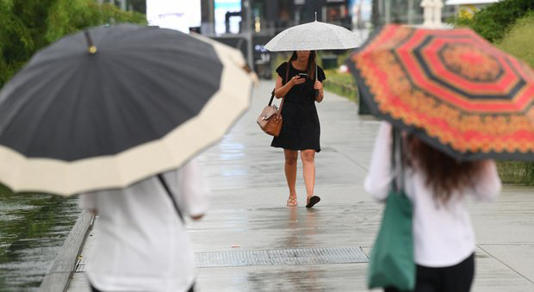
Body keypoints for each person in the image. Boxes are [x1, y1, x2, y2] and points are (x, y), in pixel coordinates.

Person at [365, 122, 502, 292]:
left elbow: (378, 189)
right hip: (458, 255)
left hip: (408, 257)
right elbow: (488, 191)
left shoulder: (396, 122)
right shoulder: (464, 123)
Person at [79, 158, 208, 292]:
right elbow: (197, 211)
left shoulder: (96, 154)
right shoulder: (178, 149)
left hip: (111, 271)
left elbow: (92, 208)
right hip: (168, 269)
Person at [271, 50, 326, 208]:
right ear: (296, 50)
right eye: (301, 48)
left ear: (311, 51)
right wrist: (291, 83)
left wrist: (320, 89)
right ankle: (292, 194)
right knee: (290, 157)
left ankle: (310, 195)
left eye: (306, 49)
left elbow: (319, 99)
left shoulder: (316, 71)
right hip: (289, 116)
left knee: (309, 154)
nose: (303, 52)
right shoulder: (285, 68)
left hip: (309, 116)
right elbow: (278, 94)